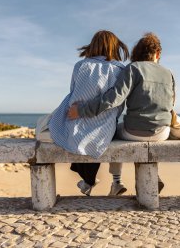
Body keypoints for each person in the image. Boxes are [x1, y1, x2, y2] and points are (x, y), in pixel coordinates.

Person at [68, 32, 175, 193]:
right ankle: (155, 175)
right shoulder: (169, 73)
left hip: (135, 131)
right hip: (162, 132)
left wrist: (82, 110)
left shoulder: (132, 68)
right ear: (157, 54)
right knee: (146, 136)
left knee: (112, 133)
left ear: (136, 53)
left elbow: (114, 99)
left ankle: (116, 182)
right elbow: (171, 103)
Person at [48, 30, 129, 196]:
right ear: (115, 47)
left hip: (77, 119)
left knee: (61, 128)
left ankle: (89, 180)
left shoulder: (81, 66)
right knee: (103, 130)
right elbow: (119, 102)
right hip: (105, 127)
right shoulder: (120, 69)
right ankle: (103, 181)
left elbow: (73, 93)